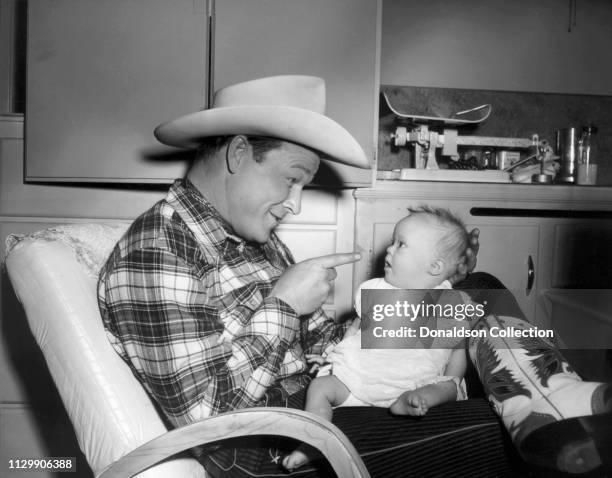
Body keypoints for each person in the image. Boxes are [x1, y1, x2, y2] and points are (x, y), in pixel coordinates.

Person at [98, 75, 610, 477]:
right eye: (292, 180)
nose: (295, 205)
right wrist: (282, 306)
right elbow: (207, 418)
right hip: (291, 446)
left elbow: (314, 342)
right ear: (237, 154)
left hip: (341, 388)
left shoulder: (247, 237)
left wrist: (384, 327)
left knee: (475, 290)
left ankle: (551, 391)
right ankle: (548, 407)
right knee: (509, 430)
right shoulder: (157, 251)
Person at [283, 207, 473, 470]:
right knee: (320, 388)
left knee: (448, 388)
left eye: (401, 244)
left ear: (435, 266)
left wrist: (452, 382)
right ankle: (315, 442)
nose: (389, 249)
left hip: (416, 381)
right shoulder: (374, 290)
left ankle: (413, 402)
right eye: (393, 242)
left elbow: (457, 350)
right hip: (362, 378)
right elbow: (356, 330)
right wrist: (337, 354)